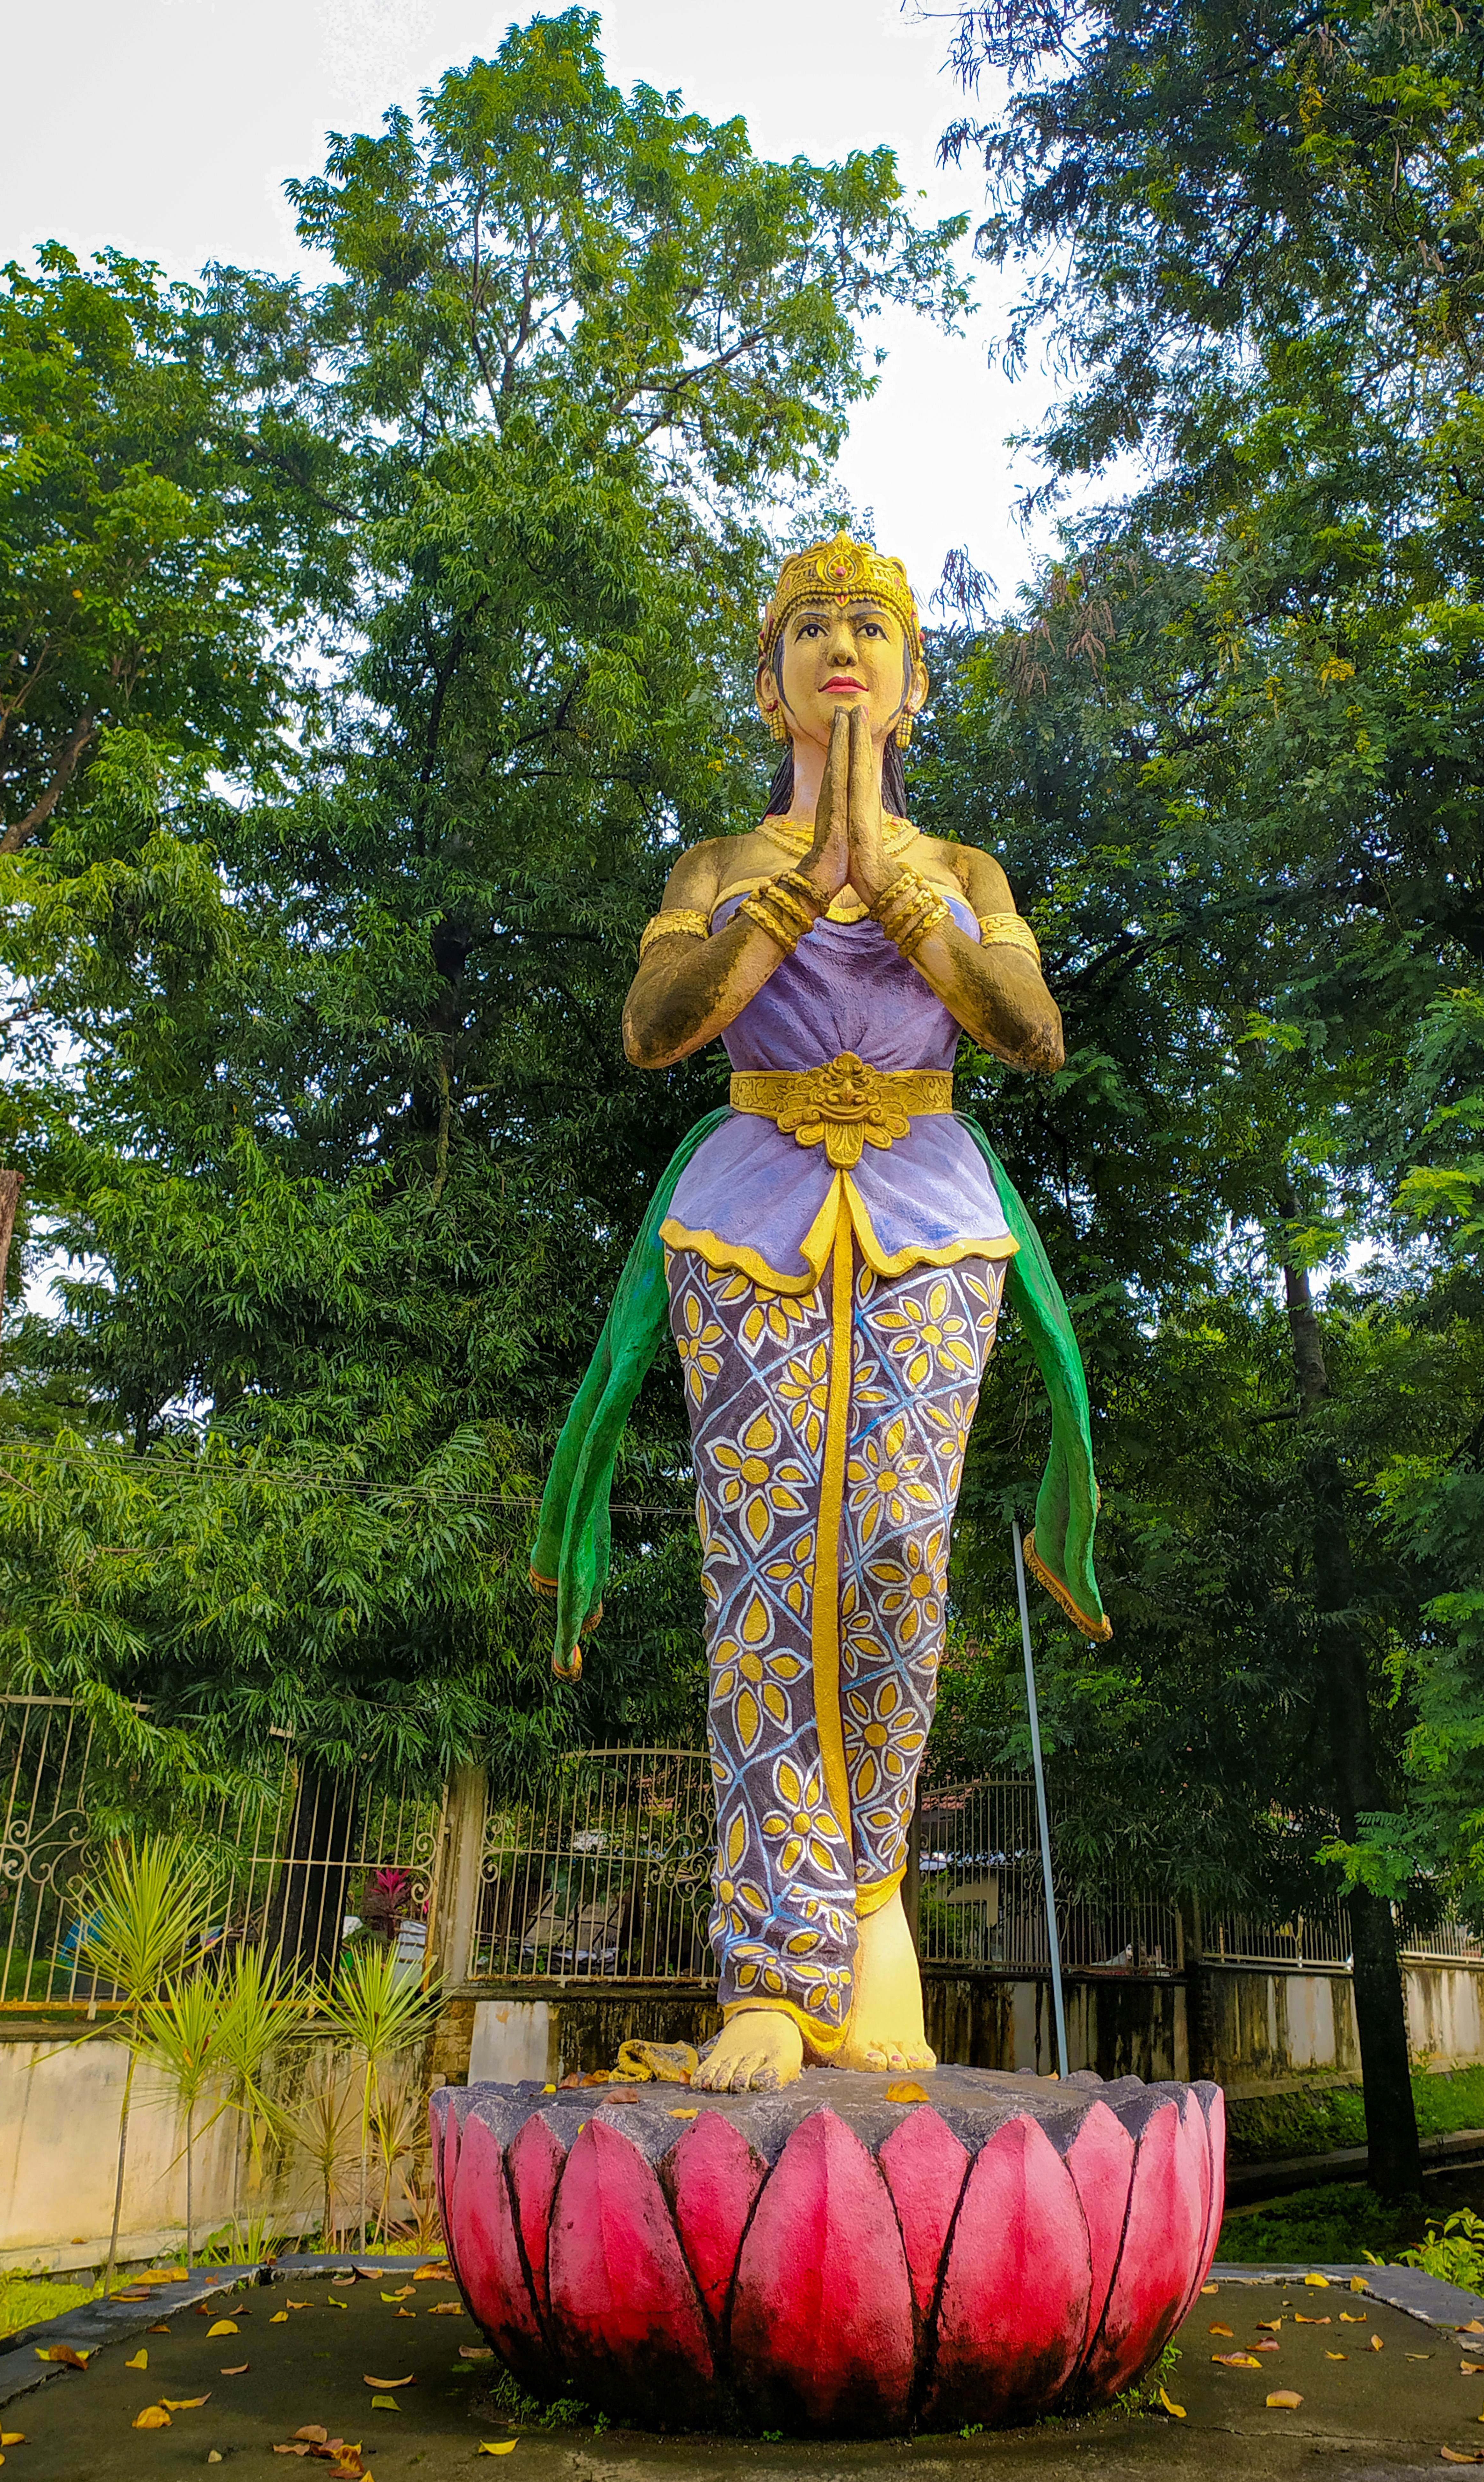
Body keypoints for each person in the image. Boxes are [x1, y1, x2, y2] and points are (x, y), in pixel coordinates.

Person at [531, 533, 1107, 2093]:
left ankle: (870, 1906)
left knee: (900, 1549)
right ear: (771, 680)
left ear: (912, 683)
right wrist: (802, 880)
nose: (841, 647)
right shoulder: (716, 866)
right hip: (752, 1214)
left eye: (872, 630)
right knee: (763, 1562)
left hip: (926, 1210)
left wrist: (898, 884)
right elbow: (660, 1029)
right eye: (810, 629)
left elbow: (1029, 1032)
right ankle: (772, 1975)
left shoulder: (965, 871)